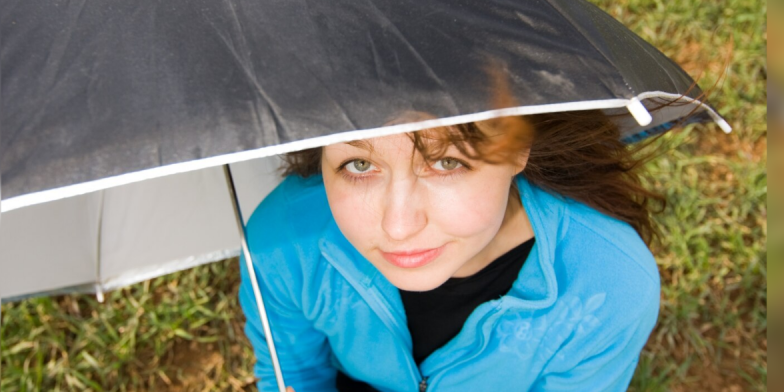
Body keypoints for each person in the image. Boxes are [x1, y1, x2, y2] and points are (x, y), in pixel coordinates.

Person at [238, 110, 663, 392]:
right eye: (360, 166)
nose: (399, 226)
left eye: (446, 162)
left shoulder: (609, 282)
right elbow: (293, 374)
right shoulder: (282, 242)